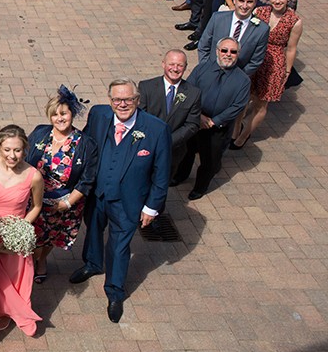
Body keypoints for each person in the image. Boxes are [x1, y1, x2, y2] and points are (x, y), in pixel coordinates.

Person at [70, 79, 171, 323]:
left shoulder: (156, 129)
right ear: (110, 100)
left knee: (118, 247)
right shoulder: (98, 115)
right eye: (117, 99)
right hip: (97, 194)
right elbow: (83, 145)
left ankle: (115, 291)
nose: (122, 104)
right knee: (92, 229)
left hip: (128, 202)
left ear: (137, 100)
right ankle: (93, 263)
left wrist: (152, 207)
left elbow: (162, 173)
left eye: (128, 99)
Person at [0, 125, 43, 335]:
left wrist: (20, 228)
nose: (12, 155)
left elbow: (37, 206)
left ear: (25, 149)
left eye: (17, 150)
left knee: (9, 276)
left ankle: (5, 310)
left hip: (13, 236)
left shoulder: (34, 176)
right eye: (7, 150)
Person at [26, 86, 98, 284]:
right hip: (35, 199)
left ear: (72, 114)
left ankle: (41, 260)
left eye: (64, 113)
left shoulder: (86, 144)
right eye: (55, 115)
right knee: (32, 235)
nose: (60, 118)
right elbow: (24, 159)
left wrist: (67, 204)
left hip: (63, 202)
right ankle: (31, 259)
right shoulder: (40, 133)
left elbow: (87, 180)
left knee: (49, 237)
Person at [174, 38, 251, 199]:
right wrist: (199, 116)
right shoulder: (202, 69)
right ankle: (180, 176)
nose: (228, 54)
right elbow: (188, 90)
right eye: (224, 50)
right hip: (195, 122)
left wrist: (214, 121)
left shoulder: (243, 80)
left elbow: (237, 106)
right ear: (217, 51)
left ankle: (200, 188)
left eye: (233, 52)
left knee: (210, 161)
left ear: (238, 54)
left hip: (218, 130)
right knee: (186, 152)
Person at [231, 0, 302, 150]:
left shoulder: (295, 21)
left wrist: (286, 71)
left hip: (274, 63)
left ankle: (244, 135)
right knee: (243, 97)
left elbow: (291, 48)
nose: (278, 1)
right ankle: (235, 130)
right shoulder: (259, 12)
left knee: (261, 103)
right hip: (254, 57)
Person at [139, 50, 202, 179]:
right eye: (171, 64)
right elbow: (140, 116)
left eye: (180, 65)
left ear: (185, 67)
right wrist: (153, 141)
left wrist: (168, 141)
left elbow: (192, 125)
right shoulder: (146, 87)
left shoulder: (193, 93)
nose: (175, 68)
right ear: (163, 64)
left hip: (173, 150)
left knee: (163, 182)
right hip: (147, 146)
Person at [197, 0, 269, 75]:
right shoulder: (217, 18)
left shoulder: (261, 29)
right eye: (241, 1)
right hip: (210, 72)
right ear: (235, 0)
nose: (245, 6)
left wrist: (236, 78)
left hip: (237, 77)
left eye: (249, 2)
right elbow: (203, 46)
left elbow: (256, 61)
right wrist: (206, 68)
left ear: (255, 3)